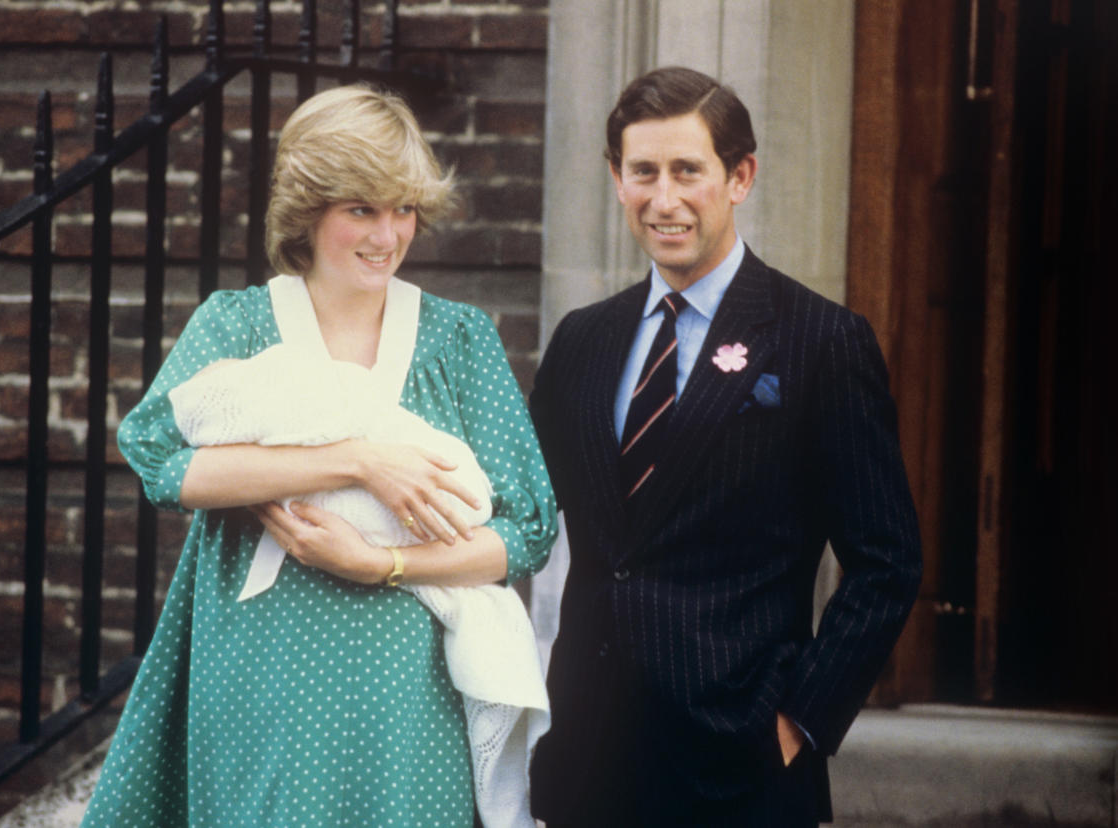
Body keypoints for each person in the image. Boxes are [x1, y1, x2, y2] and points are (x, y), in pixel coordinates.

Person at [82, 83, 557, 828]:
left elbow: (526, 530)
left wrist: (384, 564)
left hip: (412, 697)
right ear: (309, 210)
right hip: (263, 676)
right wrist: (358, 461)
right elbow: (162, 464)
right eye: (361, 209)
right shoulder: (238, 326)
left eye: (403, 209)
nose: (387, 235)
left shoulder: (458, 340)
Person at [527, 66, 922, 826]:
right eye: (643, 171)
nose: (663, 198)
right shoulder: (582, 341)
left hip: (741, 771)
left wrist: (798, 721)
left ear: (740, 176)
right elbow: (522, 511)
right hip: (589, 764)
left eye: (688, 171)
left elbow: (888, 562)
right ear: (616, 178)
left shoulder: (821, 341)